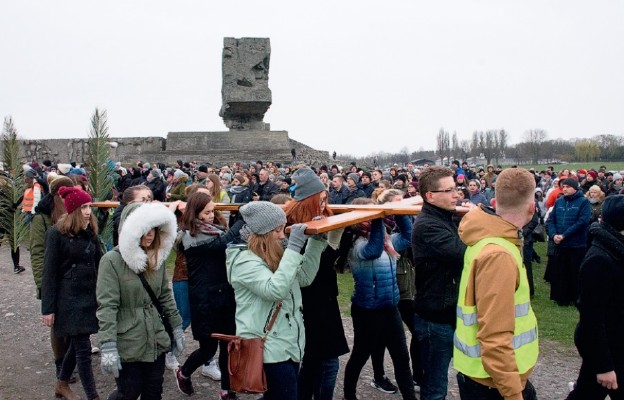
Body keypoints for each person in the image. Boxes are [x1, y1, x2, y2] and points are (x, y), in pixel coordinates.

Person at [226, 202, 326, 400]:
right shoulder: (243, 260)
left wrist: (316, 241)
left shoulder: (275, 252)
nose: (283, 235)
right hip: (266, 348)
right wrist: (294, 247)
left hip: (288, 344)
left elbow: (304, 277)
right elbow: (275, 290)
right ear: (263, 233)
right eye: (278, 230)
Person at [455, 167, 539, 399]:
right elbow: (494, 335)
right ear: (532, 208)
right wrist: (513, 393)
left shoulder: (491, 240)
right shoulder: (498, 254)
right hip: (493, 384)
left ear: (494, 201)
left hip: (490, 378)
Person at [97, 202, 184, 400]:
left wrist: (176, 326)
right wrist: (108, 344)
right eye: (143, 229)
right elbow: (107, 306)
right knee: (128, 393)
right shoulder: (111, 261)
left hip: (155, 337)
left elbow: (164, 296)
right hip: (129, 341)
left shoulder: (156, 257)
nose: (150, 234)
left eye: (153, 228)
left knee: (154, 393)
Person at [283, 167, 349, 399]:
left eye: (325, 200)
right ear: (308, 201)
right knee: (327, 364)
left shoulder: (323, 219)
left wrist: (335, 233)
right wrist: (321, 239)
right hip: (309, 303)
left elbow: (329, 260)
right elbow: (303, 271)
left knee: (313, 363)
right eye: (319, 200)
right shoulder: (293, 228)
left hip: (325, 299)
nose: (323, 205)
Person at [343, 196, 417, 400]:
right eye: (368, 217)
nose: (372, 221)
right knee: (360, 355)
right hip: (367, 310)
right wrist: (378, 217)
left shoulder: (387, 241)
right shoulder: (356, 245)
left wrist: (398, 212)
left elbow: (408, 236)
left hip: (390, 307)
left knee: (401, 358)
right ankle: (349, 396)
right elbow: (373, 251)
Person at [174, 191, 244, 399]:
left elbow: (228, 239)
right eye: (207, 212)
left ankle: (226, 389)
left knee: (228, 344)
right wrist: (241, 220)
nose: (211, 215)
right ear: (195, 213)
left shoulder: (214, 230)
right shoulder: (191, 236)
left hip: (224, 295)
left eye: (213, 211)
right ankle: (184, 372)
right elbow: (223, 244)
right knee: (208, 348)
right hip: (205, 300)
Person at [41, 187, 102, 400]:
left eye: (89, 206)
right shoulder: (56, 234)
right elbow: (48, 273)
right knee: (83, 349)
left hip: (88, 297)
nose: (88, 211)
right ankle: (93, 396)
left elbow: (100, 262)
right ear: (73, 209)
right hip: (68, 300)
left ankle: (62, 384)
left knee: (76, 347)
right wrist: (47, 309)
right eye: (83, 207)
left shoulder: (90, 231)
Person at [412, 166, 466, 400]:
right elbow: (465, 253)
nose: (457, 195)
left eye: (456, 188)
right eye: (450, 190)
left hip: (451, 312)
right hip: (436, 318)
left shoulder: (445, 218)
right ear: (430, 196)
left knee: (466, 374)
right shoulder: (428, 226)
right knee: (435, 386)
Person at [567, 195, 624, 400]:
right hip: (608, 349)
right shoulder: (599, 260)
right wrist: (604, 366)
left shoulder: (617, 250)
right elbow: (591, 319)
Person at [30, 176, 75, 380]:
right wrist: (42, 283)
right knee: (57, 325)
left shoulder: (74, 214)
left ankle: (72, 359)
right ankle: (60, 363)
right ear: (56, 193)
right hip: (53, 278)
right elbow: (37, 252)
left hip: (73, 278)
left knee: (75, 321)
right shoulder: (42, 218)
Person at [546, 177, 591, 306]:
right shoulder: (559, 202)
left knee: (575, 272)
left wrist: (565, 235)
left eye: (567, 187)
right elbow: (551, 220)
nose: (564, 189)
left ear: (575, 188)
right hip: (560, 244)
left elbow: (582, 222)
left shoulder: (583, 202)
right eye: (563, 187)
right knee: (561, 271)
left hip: (576, 244)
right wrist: (553, 234)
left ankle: (575, 297)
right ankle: (561, 297)